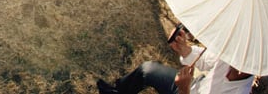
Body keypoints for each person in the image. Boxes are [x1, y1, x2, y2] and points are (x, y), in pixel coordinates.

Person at [97, 26, 254, 94]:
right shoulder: (232, 56)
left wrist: (184, 89)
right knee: (148, 69)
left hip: (186, 90)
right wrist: (185, 49)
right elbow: (206, 60)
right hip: (192, 86)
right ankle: (118, 91)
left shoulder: (240, 91)